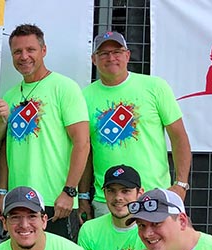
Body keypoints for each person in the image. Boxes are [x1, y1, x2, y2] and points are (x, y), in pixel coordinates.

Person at [0, 24, 90, 241]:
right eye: (17, 51)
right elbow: (6, 148)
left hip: (56, 200)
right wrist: (2, 194)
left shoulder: (65, 88)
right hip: (19, 202)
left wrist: (69, 191)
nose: (24, 56)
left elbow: (82, 143)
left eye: (30, 50)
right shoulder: (10, 95)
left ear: (43, 51)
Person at [81, 31, 191, 218]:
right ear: (94, 59)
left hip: (154, 195)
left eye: (117, 51)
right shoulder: (83, 97)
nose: (111, 58)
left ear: (127, 55)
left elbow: (179, 136)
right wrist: (83, 195)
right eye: (103, 54)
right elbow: (85, 150)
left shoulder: (155, 87)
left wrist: (181, 185)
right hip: (107, 199)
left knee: (158, 247)